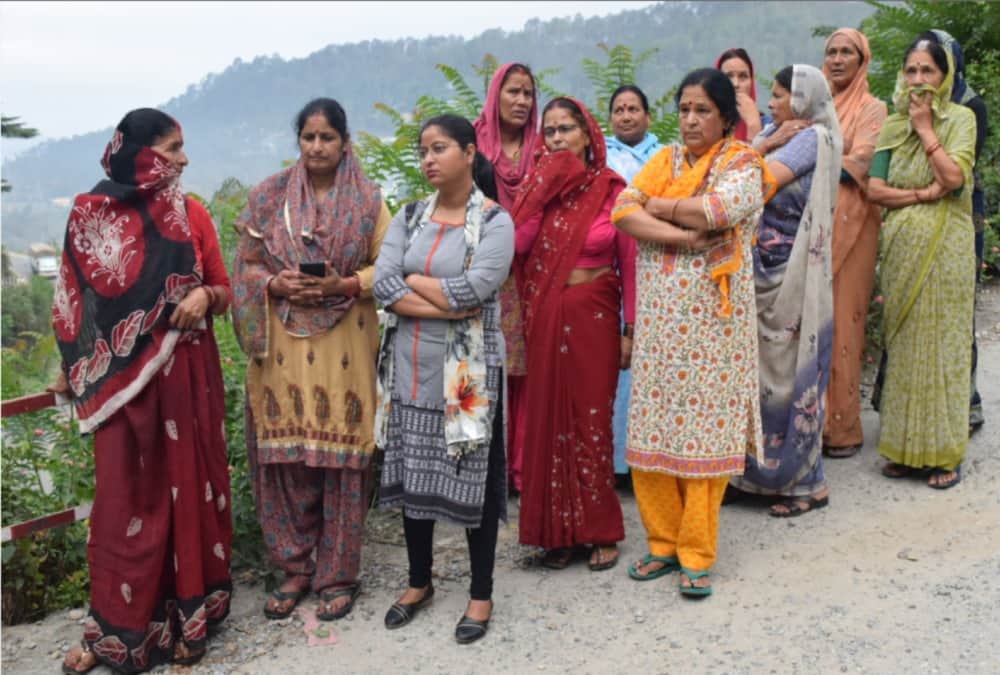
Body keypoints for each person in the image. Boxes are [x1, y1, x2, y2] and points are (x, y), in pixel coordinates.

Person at [53, 108, 232, 674]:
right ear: (140, 154)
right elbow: (76, 303)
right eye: (173, 148)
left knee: (187, 490)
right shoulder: (89, 217)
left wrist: (205, 297)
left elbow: (222, 286)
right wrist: (71, 363)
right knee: (122, 503)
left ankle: (190, 619)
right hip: (121, 392)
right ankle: (113, 630)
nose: (184, 159)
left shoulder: (192, 213)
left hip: (184, 377)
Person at [614, 67, 774, 595]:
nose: (690, 119)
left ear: (725, 118)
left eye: (702, 110)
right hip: (660, 330)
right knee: (653, 434)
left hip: (713, 330)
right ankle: (662, 544)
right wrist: (681, 237)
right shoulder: (665, 160)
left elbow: (717, 210)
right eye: (684, 109)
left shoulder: (743, 164)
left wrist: (658, 206)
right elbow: (622, 212)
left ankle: (696, 554)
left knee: (702, 440)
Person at [231, 98, 390, 622]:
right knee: (286, 464)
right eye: (308, 137)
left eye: (327, 137)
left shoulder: (368, 201)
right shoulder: (268, 197)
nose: (317, 147)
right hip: (281, 352)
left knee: (342, 466)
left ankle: (338, 575)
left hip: (345, 346)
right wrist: (276, 283)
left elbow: (390, 268)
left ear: (345, 142)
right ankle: (294, 569)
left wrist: (342, 285)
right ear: (298, 140)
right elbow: (245, 269)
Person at [374, 114, 513, 644]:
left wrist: (413, 282)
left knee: (474, 478)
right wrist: (440, 302)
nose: (428, 159)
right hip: (410, 369)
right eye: (423, 151)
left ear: (470, 152)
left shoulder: (494, 221)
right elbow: (383, 285)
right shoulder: (410, 216)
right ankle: (419, 582)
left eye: (439, 148)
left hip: (467, 380)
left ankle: (481, 593)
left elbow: (475, 290)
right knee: (414, 477)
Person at [514, 97, 633, 572]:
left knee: (591, 422)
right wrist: (538, 193)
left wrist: (630, 329)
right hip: (546, 317)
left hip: (596, 318)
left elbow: (629, 264)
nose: (558, 138)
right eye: (550, 131)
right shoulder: (540, 190)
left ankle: (600, 531)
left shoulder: (611, 189)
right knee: (548, 424)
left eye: (566, 128)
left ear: (588, 135)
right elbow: (518, 245)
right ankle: (555, 533)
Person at [730, 65, 843, 516]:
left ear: (801, 101)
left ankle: (805, 483)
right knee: (758, 377)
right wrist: (763, 141)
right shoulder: (778, 134)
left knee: (791, 377)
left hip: (791, 277)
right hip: (760, 272)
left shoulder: (810, 138)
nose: (772, 103)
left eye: (779, 96)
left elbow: (755, 184)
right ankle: (756, 477)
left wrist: (760, 146)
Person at [868, 38, 976, 489]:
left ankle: (944, 454)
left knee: (943, 344)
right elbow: (875, 189)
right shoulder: (893, 126)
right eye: (911, 71)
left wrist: (927, 130)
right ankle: (902, 449)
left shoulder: (961, 120)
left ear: (944, 76)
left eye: (927, 71)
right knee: (906, 345)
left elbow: (953, 178)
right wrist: (921, 194)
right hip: (901, 249)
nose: (918, 81)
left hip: (947, 248)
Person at [819, 29, 888, 458]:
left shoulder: (872, 108)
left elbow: (861, 162)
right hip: (815, 229)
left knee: (845, 320)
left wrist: (810, 157)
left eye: (847, 52)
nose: (838, 59)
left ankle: (843, 429)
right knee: (813, 325)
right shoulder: (815, 106)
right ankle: (810, 424)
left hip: (855, 226)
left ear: (862, 60)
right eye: (832, 52)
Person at [473, 62, 539, 493]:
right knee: (483, 365)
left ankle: (521, 469)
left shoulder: (541, 149)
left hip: (532, 272)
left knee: (528, 373)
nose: (521, 101)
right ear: (495, 95)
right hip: (483, 270)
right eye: (513, 91)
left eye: (528, 94)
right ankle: (483, 466)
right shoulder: (472, 144)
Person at [920, 29, 989, 436]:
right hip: (915, 215)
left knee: (956, 308)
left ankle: (964, 405)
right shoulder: (908, 106)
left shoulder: (970, 106)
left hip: (961, 213)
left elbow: (958, 174)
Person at [605, 84, 664, 486]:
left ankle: (648, 454)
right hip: (610, 267)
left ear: (648, 116)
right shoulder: (601, 157)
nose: (626, 116)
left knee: (650, 360)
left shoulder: (665, 156)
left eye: (633, 109)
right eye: (619, 110)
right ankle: (615, 461)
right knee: (614, 362)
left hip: (656, 263)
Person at [715, 48, 771, 142]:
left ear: (751, 83)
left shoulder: (769, 127)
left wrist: (753, 126)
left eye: (743, 76)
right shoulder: (707, 124)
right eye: (728, 76)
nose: (735, 84)